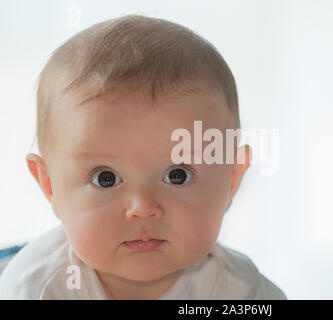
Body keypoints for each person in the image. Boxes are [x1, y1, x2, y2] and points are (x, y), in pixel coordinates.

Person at [0, 14, 286, 300]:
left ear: (232, 180)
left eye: (178, 175)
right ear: (50, 186)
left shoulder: (244, 293)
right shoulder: (33, 290)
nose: (142, 207)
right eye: (106, 178)